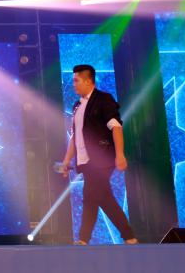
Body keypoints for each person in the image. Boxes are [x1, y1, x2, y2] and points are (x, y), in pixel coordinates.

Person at [58, 65, 138, 245]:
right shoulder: (77, 106)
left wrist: (120, 154)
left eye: (76, 80)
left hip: (101, 158)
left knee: (90, 196)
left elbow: (116, 126)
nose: (74, 84)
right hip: (85, 162)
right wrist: (66, 161)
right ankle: (130, 237)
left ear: (88, 81)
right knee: (103, 198)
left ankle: (83, 239)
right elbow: (75, 136)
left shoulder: (103, 99)